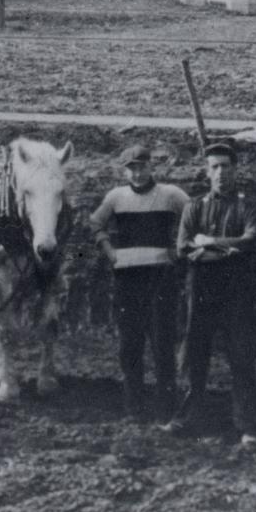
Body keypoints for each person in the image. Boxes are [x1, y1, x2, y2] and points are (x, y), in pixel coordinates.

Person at [162, 142, 256, 447]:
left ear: (236, 170)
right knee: (195, 356)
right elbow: (182, 248)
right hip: (201, 291)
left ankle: (248, 425)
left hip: (236, 293)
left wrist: (207, 242)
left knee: (241, 358)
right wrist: (227, 250)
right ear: (207, 172)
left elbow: (251, 240)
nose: (221, 173)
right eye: (215, 167)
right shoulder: (194, 207)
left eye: (227, 166)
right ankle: (188, 417)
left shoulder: (249, 206)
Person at [87, 143, 190, 422]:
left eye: (142, 167)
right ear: (125, 171)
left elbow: (193, 217)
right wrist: (110, 252)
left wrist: (179, 249)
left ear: (151, 166)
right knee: (129, 346)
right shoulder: (116, 197)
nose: (137, 174)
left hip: (160, 278)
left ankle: (166, 409)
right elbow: (95, 222)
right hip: (127, 280)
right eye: (131, 169)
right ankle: (134, 409)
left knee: (162, 345)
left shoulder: (170, 194)